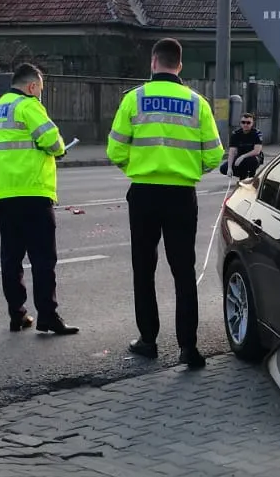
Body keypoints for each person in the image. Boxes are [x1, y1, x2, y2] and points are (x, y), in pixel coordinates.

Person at [108, 38, 224, 370]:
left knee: (144, 269)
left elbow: (115, 150)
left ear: (153, 62)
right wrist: (187, 170)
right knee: (183, 270)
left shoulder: (134, 99)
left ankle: (148, 341)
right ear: (180, 65)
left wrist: (139, 167)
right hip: (181, 196)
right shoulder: (197, 102)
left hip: (144, 193)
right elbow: (214, 155)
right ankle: (189, 348)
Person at [0, 63, 78, 335]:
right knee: (43, 258)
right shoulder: (28, 106)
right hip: (32, 192)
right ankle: (48, 316)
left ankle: (18, 315)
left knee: (11, 258)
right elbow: (53, 141)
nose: (40, 94)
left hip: (1, 194)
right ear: (32, 86)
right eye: (40, 89)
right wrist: (59, 149)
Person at [222, 113, 264, 179]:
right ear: (240, 123)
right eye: (243, 122)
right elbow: (232, 151)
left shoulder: (257, 133)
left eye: (248, 123)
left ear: (252, 123)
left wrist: (243, 156)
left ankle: (251, 177)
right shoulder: (236, 134)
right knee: (223, 168)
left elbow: (257, 151)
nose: (245, 125)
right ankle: (243, 175)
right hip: (239, 156)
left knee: (252, 161)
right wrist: (229, 168)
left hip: (253, 157)